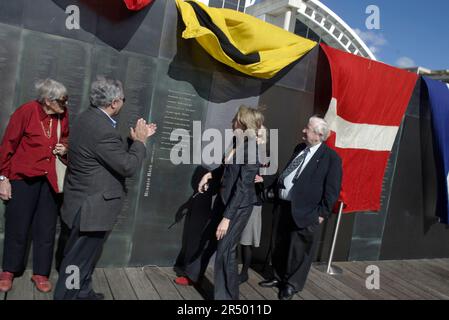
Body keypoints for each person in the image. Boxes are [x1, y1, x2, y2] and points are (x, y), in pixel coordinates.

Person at [53, 77, 157, 300]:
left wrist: (130, 143)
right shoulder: (102, 129)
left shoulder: (85, 119)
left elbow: (106, 158)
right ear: (114, 103)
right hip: (91, 210)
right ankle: (68, 297)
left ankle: (83, 293)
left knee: (85, 258)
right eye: (123, 99)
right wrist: (140, 142)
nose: (123, 103)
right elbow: (127, 166)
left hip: (81, 205)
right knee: (77, 263)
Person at [178, 105, 264, 300]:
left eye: (235, 119)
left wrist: (226, 218)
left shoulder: (253, 150)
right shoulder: (237, 141)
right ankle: (193, 274)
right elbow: (227, 170)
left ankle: (228, 299)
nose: (231, 122)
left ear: (243, 124)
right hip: (225, 200)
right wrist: (209, 174)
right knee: (207, 237)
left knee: (225, 250)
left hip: (238, 207)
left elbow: (242, 188)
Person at [259, 116, 342, 300]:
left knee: (299, 251)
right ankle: (278, 277)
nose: (304, 131)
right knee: (279, 244)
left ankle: (291, 284)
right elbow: (289, 172)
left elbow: (332, 191)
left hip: (307, 213)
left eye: (308, 128)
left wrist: (321, 214)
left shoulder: (331, 158)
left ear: (319, 135)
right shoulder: (299, 148)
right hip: (284, 207)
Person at [0, 79, 69, 293]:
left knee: (46, 228)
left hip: (49, 181)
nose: (65, 104)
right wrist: (3, 179)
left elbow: (66, 138)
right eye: (62, 100)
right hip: (23, 180)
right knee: (17, 226)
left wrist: (64, 148)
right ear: (48, 100)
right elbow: (7, 145)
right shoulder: (26, 112)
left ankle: (41, 273)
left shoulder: (63, 116)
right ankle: (9, 270)